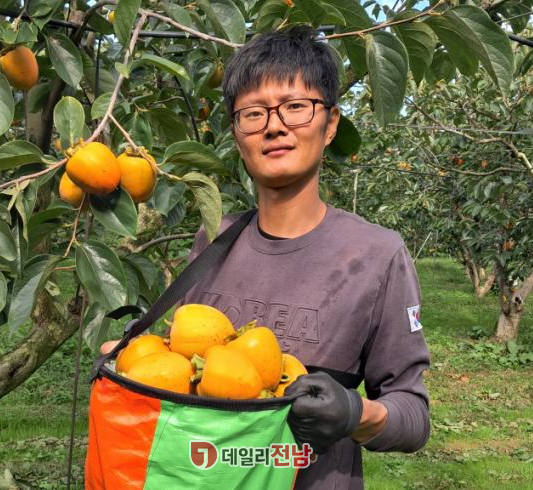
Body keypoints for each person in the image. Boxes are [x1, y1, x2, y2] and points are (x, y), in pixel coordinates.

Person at [102, 25, 430, 489]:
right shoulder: (214, 239)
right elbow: (187, 375)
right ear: (238, 135)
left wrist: (355, 413)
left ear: (330, 123)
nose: (274, 126)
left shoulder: (377, 255)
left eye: (295, 106)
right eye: (253, 113)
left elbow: (413, 416)